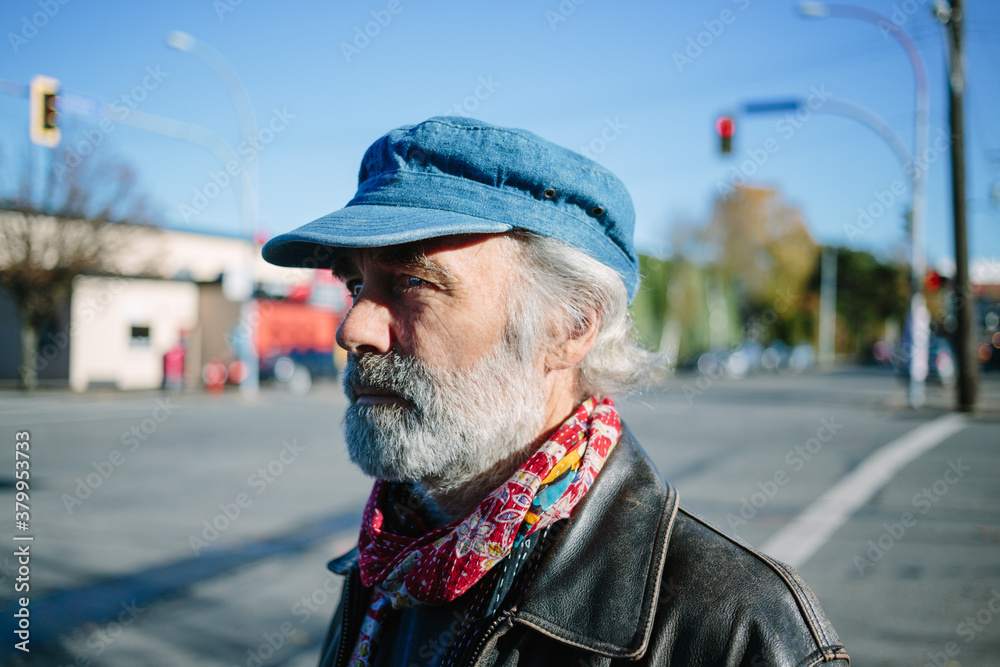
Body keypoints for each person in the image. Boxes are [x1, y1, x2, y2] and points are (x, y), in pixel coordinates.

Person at [262, 117, 850, 667]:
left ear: (570, 326)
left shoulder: (732, 626)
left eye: (413, 281)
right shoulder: (388, 562)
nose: (353, 329)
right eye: (356, 284)